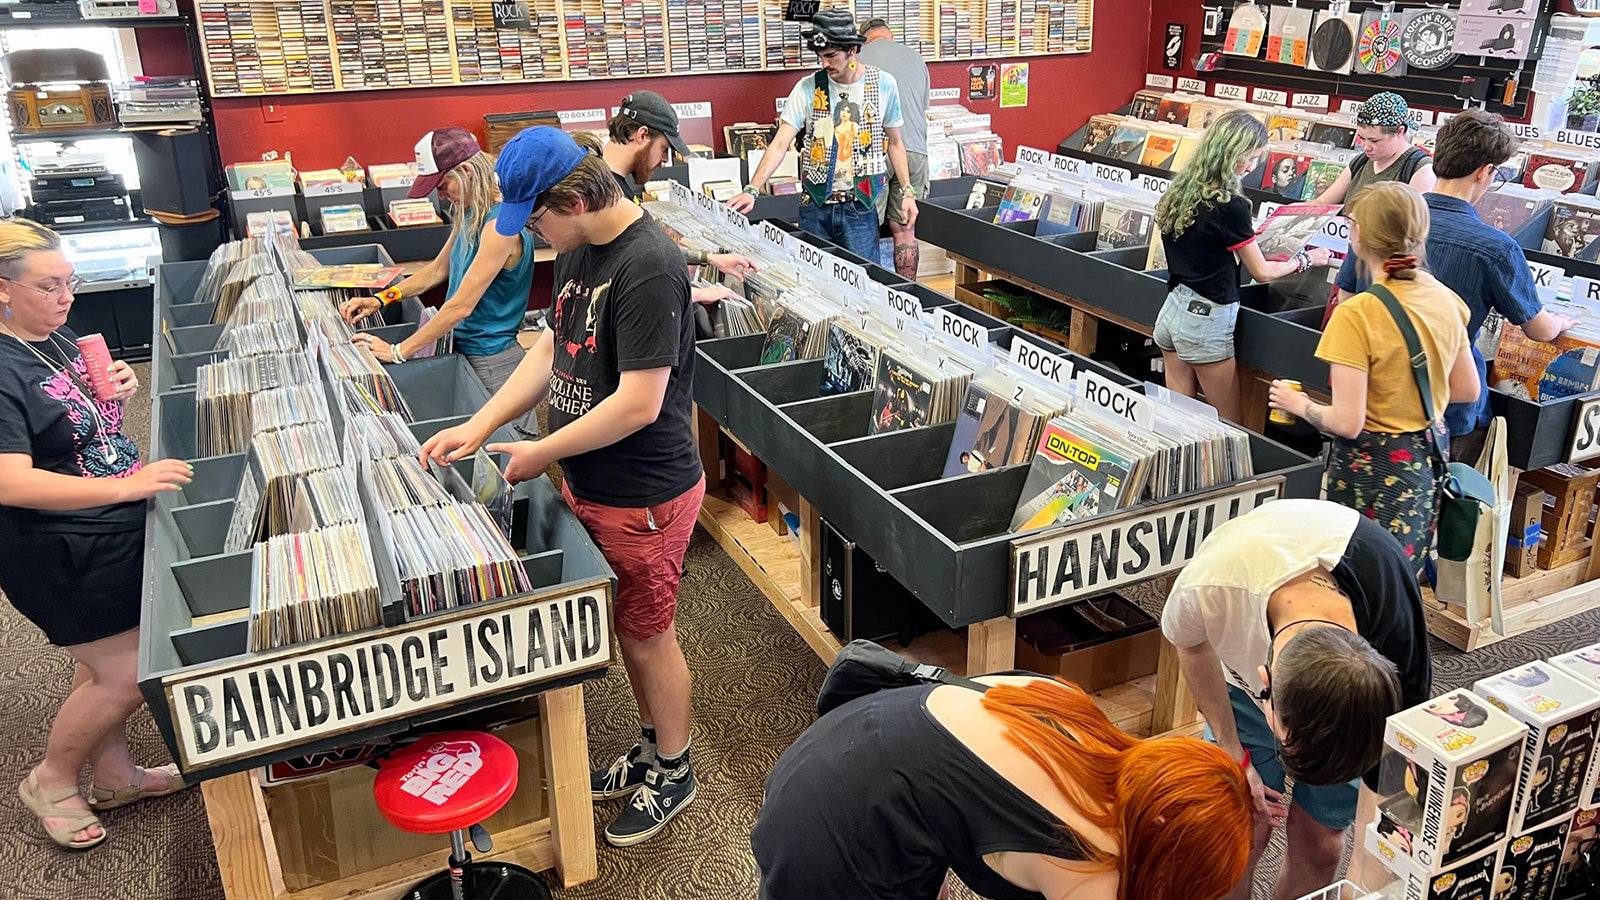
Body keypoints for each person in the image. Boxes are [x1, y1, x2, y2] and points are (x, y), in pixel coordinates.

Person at [420, 126, 704, 847]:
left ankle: (675, 768)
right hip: (594, 478)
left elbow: (640, 402)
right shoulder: (579, 246)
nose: (534, 235)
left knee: (648, 637)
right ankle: (652, 745)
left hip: (645, 490)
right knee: (629, 627)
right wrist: (482, 426)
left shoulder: (650, 264)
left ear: (575, 197)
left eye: (537, 218)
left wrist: (541, 450)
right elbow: (554, 344)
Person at [0, 220, 195, 849]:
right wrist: (125, 487)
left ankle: (114, 777)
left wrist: (112, 395)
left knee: (104, 661)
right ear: (2, 290)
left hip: (105, 528)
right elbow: (12, 483)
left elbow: (74, 420)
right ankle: (52, 780)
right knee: (130, 669)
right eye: (49, 285)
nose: (66, 298)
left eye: (71, 283)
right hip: (58, 547)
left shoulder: (48, 337)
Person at [751, 673, 1253, 900]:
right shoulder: (1090, 864)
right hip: (829, 832)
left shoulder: (1078, 716)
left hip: (840, 743)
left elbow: (945, 781)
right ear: (1163, 827)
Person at [1162, 498, 1431, 900]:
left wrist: (1358, 886)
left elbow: (1388, 779)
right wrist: (1235, 754)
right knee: (1235, 832)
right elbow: (1192, 648)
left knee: (1321, 844)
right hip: (1237, 680)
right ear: (1263, 686)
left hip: (1349, 707)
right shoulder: (1209, 588)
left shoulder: (1396, 633)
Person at [1331, 109, 1576, 461]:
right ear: (1485, 173)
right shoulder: (1496, 247)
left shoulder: (1379, 221)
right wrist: (1561, 323)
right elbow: (1538, 329)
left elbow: (1347, 298)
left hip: (1372, 396)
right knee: (1443, 506)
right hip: (1448, 406)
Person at [1272, 183, 1478, 572]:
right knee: (1397, 579)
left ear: (1359, 235)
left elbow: (1347, 423)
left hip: (1371, 471)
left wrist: (1299, 405)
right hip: (1423, 464)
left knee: (1354, 578)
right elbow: (1467, 388)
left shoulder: (1357, 315)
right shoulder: (1445, 298)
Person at [341, 128, 540, 438]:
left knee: (512, 448)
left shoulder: (501, 225)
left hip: (494, 361)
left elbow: (461, 306)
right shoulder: (470, 210)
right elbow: (437, 270)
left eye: (443, 185)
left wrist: (397, 352)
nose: (441, 196)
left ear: (467, 171)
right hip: (465, 350)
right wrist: (381, 298)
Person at [1152, 109, 1332, 423]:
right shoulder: (1230, 205)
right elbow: (1262, 272)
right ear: (1231, 152)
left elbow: (1206, 245)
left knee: (1179, 422)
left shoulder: (1181, 190)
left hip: (1172, 311)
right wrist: (1307, 259)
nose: (1251, 166)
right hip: (1206, 320)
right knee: (1229, 425)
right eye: (1249, 158)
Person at [727, 8, 918, 262]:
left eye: (831, 55)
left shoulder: (884, 84)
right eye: (820, 56)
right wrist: (753, 188)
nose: (824, 63)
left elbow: (895, 142)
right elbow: (780, 142)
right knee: (812, 283)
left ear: (852, 50)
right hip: (814, 207)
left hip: (860, 208)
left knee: (864, 284)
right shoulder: (807, 87)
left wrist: (907, 192)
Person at [597, 91, 761, 306]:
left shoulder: (603, 178)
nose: (665, 160)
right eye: (664, 148)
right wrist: (698, 295)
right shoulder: (609, 196)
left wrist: (710, 259)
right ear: (642, 135)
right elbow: (621, 288)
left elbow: (638, 252)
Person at [859, 17, 930, 280]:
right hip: (913, 151)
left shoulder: (857, 57)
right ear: (890, 36)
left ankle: (871, 295)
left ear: (863, 37)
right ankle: (907, 293)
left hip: (874, 152)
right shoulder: (916, 58)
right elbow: (921, 108)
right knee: (905, 230)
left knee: (866, 228)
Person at [1308, 92, 1436, 207]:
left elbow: (1413, 226)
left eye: (1374, 141)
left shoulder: (1420, 169)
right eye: (1362, 139)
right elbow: (1322, 202)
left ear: (1399, 131)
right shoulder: (1360, 162)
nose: (1366, 147)